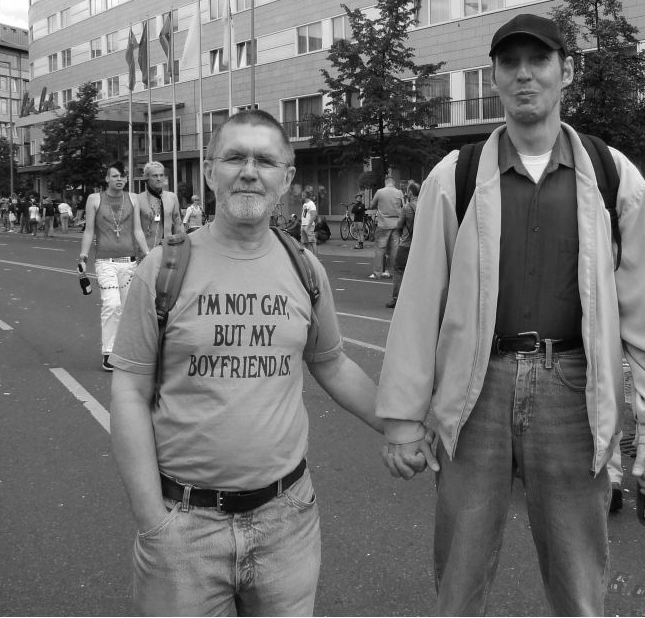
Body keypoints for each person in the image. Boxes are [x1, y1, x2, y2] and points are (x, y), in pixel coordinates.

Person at [375, 14, 645, 615]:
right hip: (477, 391)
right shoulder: (457, 177)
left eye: (539, 60)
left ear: (565, 70)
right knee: (459, 579)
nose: (524, 75)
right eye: (510, 63)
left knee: (579, 581)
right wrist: (401, 416)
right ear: (494, 78)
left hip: (572, 390)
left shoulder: (613, 176)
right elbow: (420, 304)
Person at [108, 109, 430, 616]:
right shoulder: (162, 269)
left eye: (265, 160)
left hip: (287, 524)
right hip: (183, 525)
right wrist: (153, 519)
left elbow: (332, 363)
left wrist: (400, 428)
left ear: (287, 177)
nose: (249, 170)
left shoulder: (305, 267)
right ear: (211, 170)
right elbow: (127, 391)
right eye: (234, 157)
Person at [78, 162, 151, 371]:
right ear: (107, 178)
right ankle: (108, 352)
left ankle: (123, 349)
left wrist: (148, 255)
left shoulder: (133, 199)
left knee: (127, 309)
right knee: (112, 305)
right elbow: (89, 231)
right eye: (115, 176)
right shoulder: (95, 199)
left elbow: (137, 231)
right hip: (105, 262)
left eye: (123, 176)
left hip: (129, 263)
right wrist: (83, 257)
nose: (120, 179)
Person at [136, 161, 183, 250]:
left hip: (169, 249)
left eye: (161, 175)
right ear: (146, 177)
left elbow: (178, 224)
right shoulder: (138, 199)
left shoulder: (172, 197)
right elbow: (135, 229)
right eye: (155, 176)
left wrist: (182, 246)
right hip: (147, 250)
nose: (159, 178)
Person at [386, 181, 418, 309]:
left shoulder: (407, 208)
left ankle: (396, 298)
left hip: (406, 244)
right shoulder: (424, 206)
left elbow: (399, 224)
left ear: (410, 193)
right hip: (419, 244)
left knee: (398, 268)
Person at [369, 176, 403, 280]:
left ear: (385, 182)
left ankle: (377, 273)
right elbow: (403, 206)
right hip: (396, 224)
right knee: (394, 249)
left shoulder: (380, 192)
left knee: (380, 248)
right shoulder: (399, 192)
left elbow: (372, 205)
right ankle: (390, 271)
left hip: (383, 224)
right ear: (393, 182)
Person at [300, 190, 318, 256]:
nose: (301, 197)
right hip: (303, 225)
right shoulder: (304, 204)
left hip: (308, 226)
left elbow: (313, 216)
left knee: (312, 242)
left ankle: (315, 257)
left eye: (302, 195)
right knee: (304, 242)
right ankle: (307, 256)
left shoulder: (311, 204)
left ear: (305, 196)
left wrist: (308, 226)